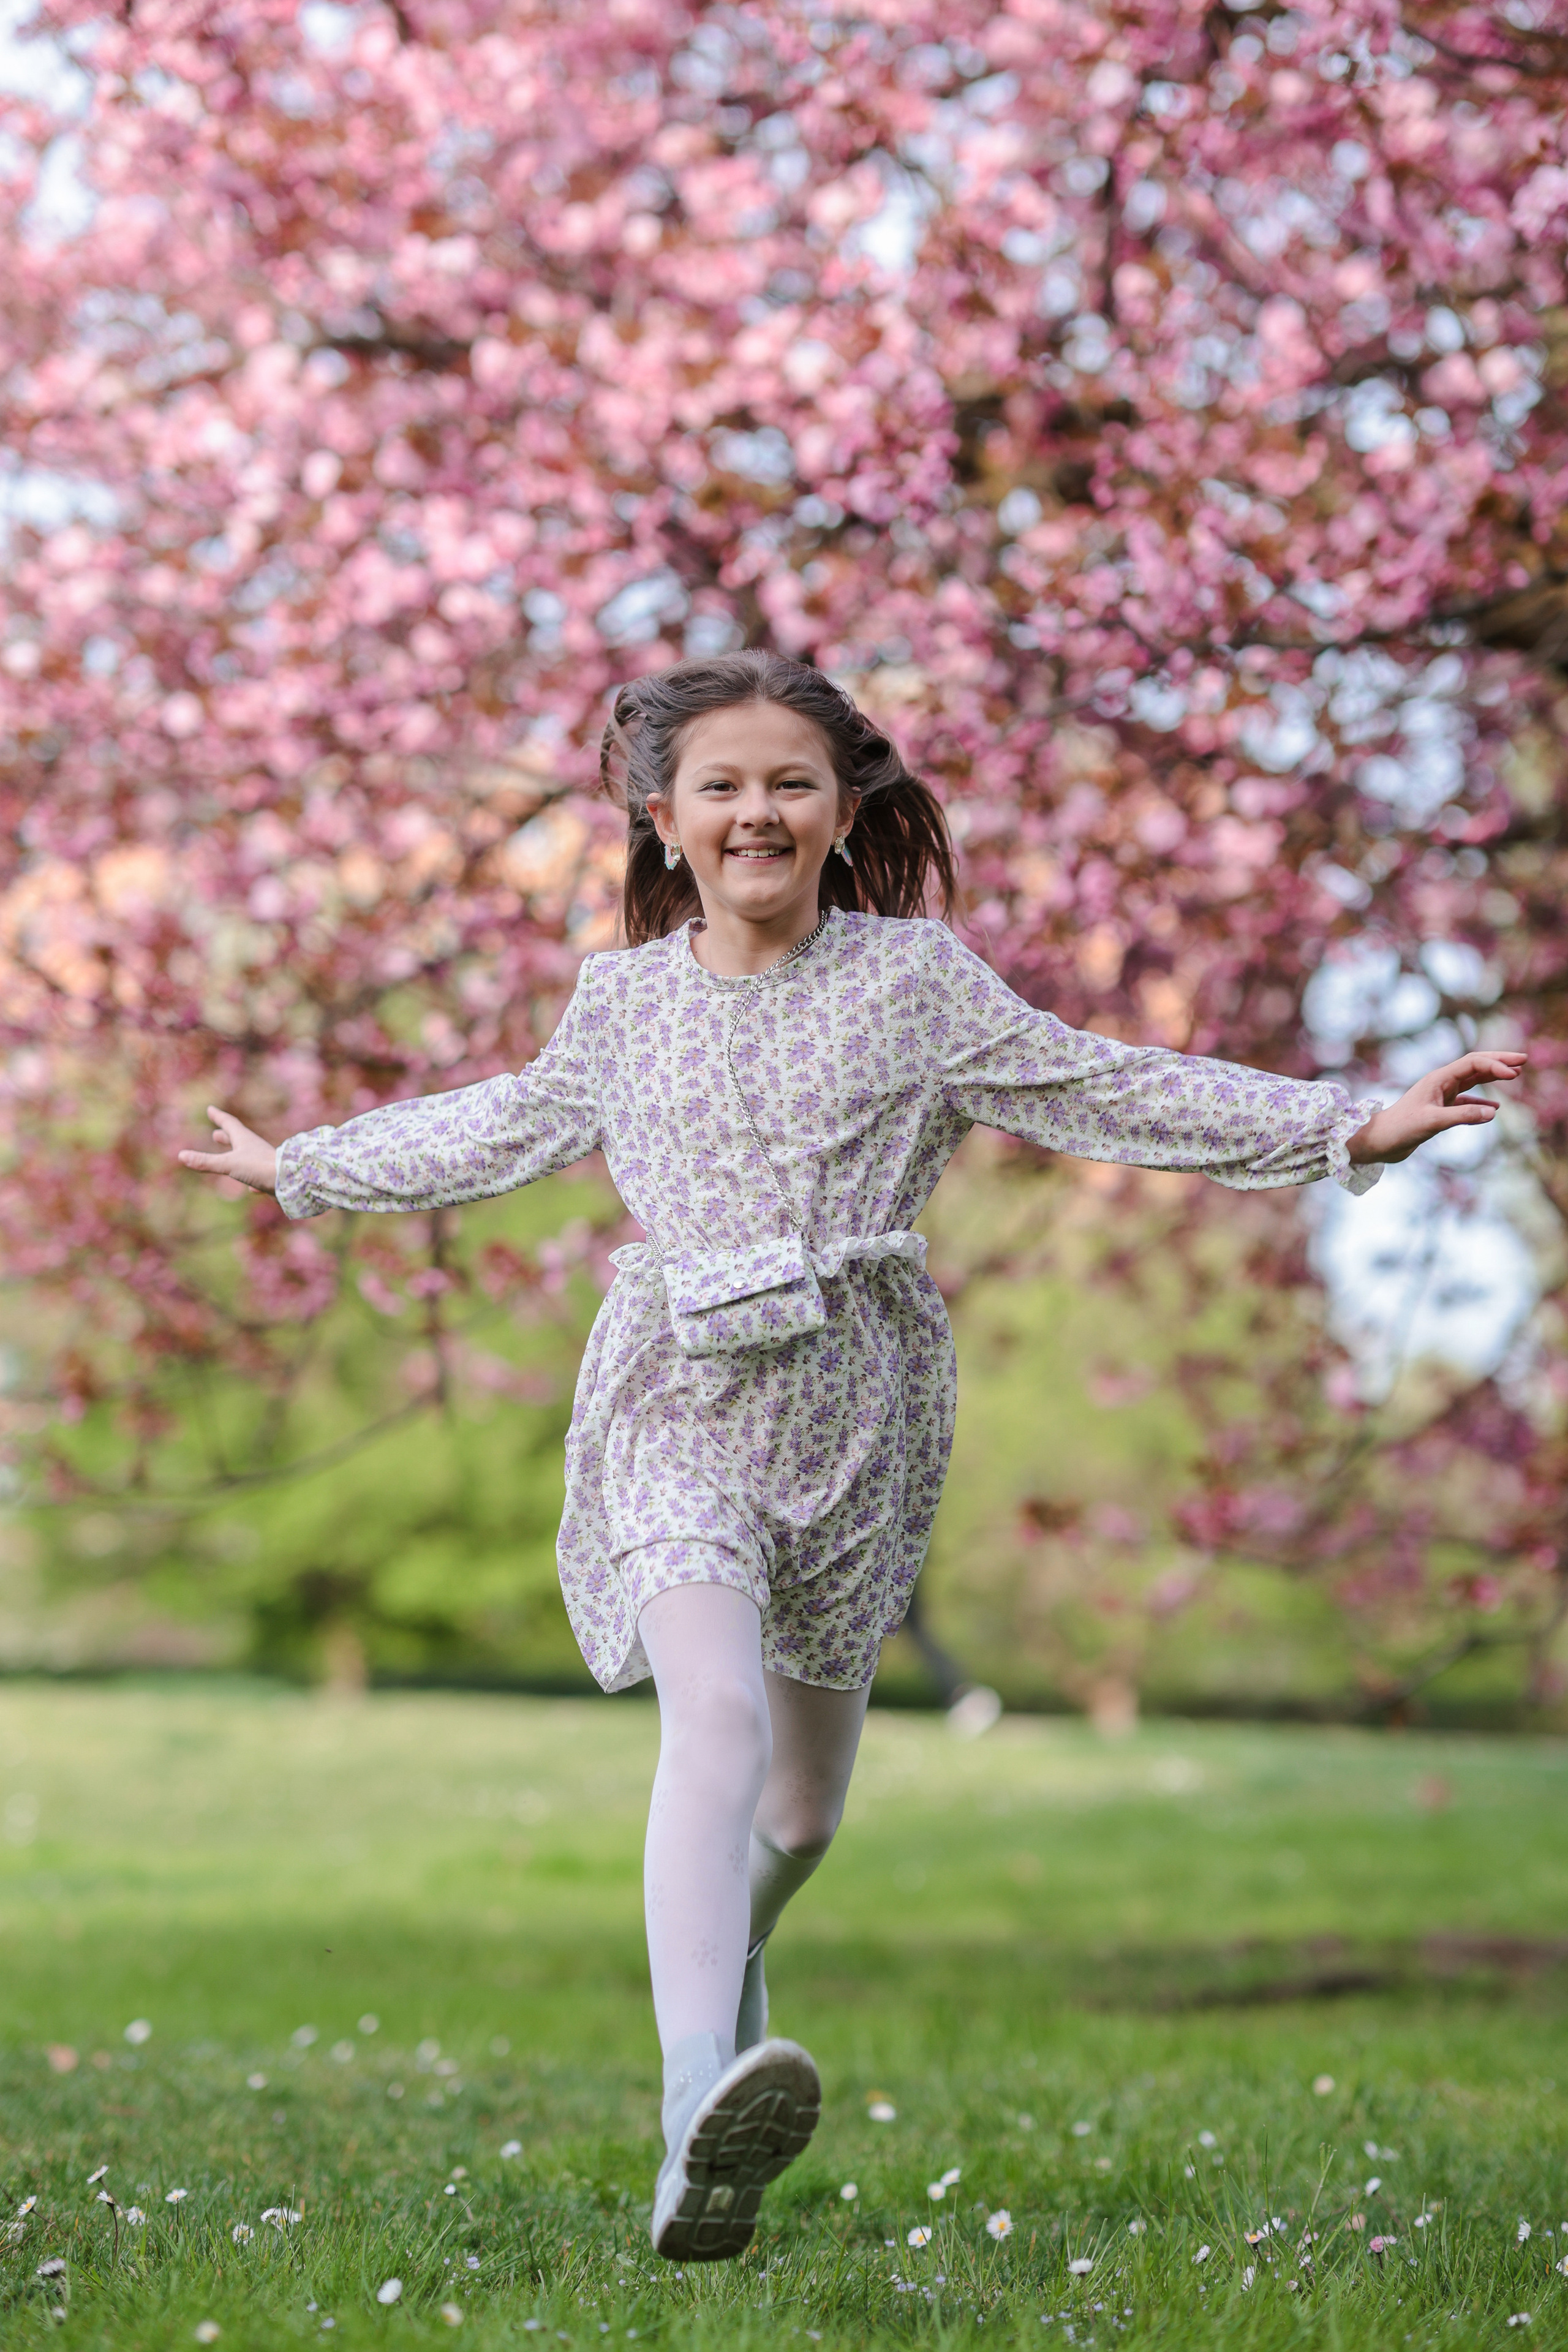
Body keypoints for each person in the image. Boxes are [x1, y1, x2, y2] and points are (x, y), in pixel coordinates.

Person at [179, 650, 1525, 2261]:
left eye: (790, 783)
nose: (756, 811)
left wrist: (1345, 1126)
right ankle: (697, 2094)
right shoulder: (621, 1004)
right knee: (716, 1714)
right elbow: (498, 1122)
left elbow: (1106, 1086)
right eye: (722, 786)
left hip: (854, 1414)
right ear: (663, 818)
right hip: (679, 1397)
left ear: (839, 809)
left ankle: (718, 2006)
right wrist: (307, 1167)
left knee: (804, 1817)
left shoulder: (918, 983)